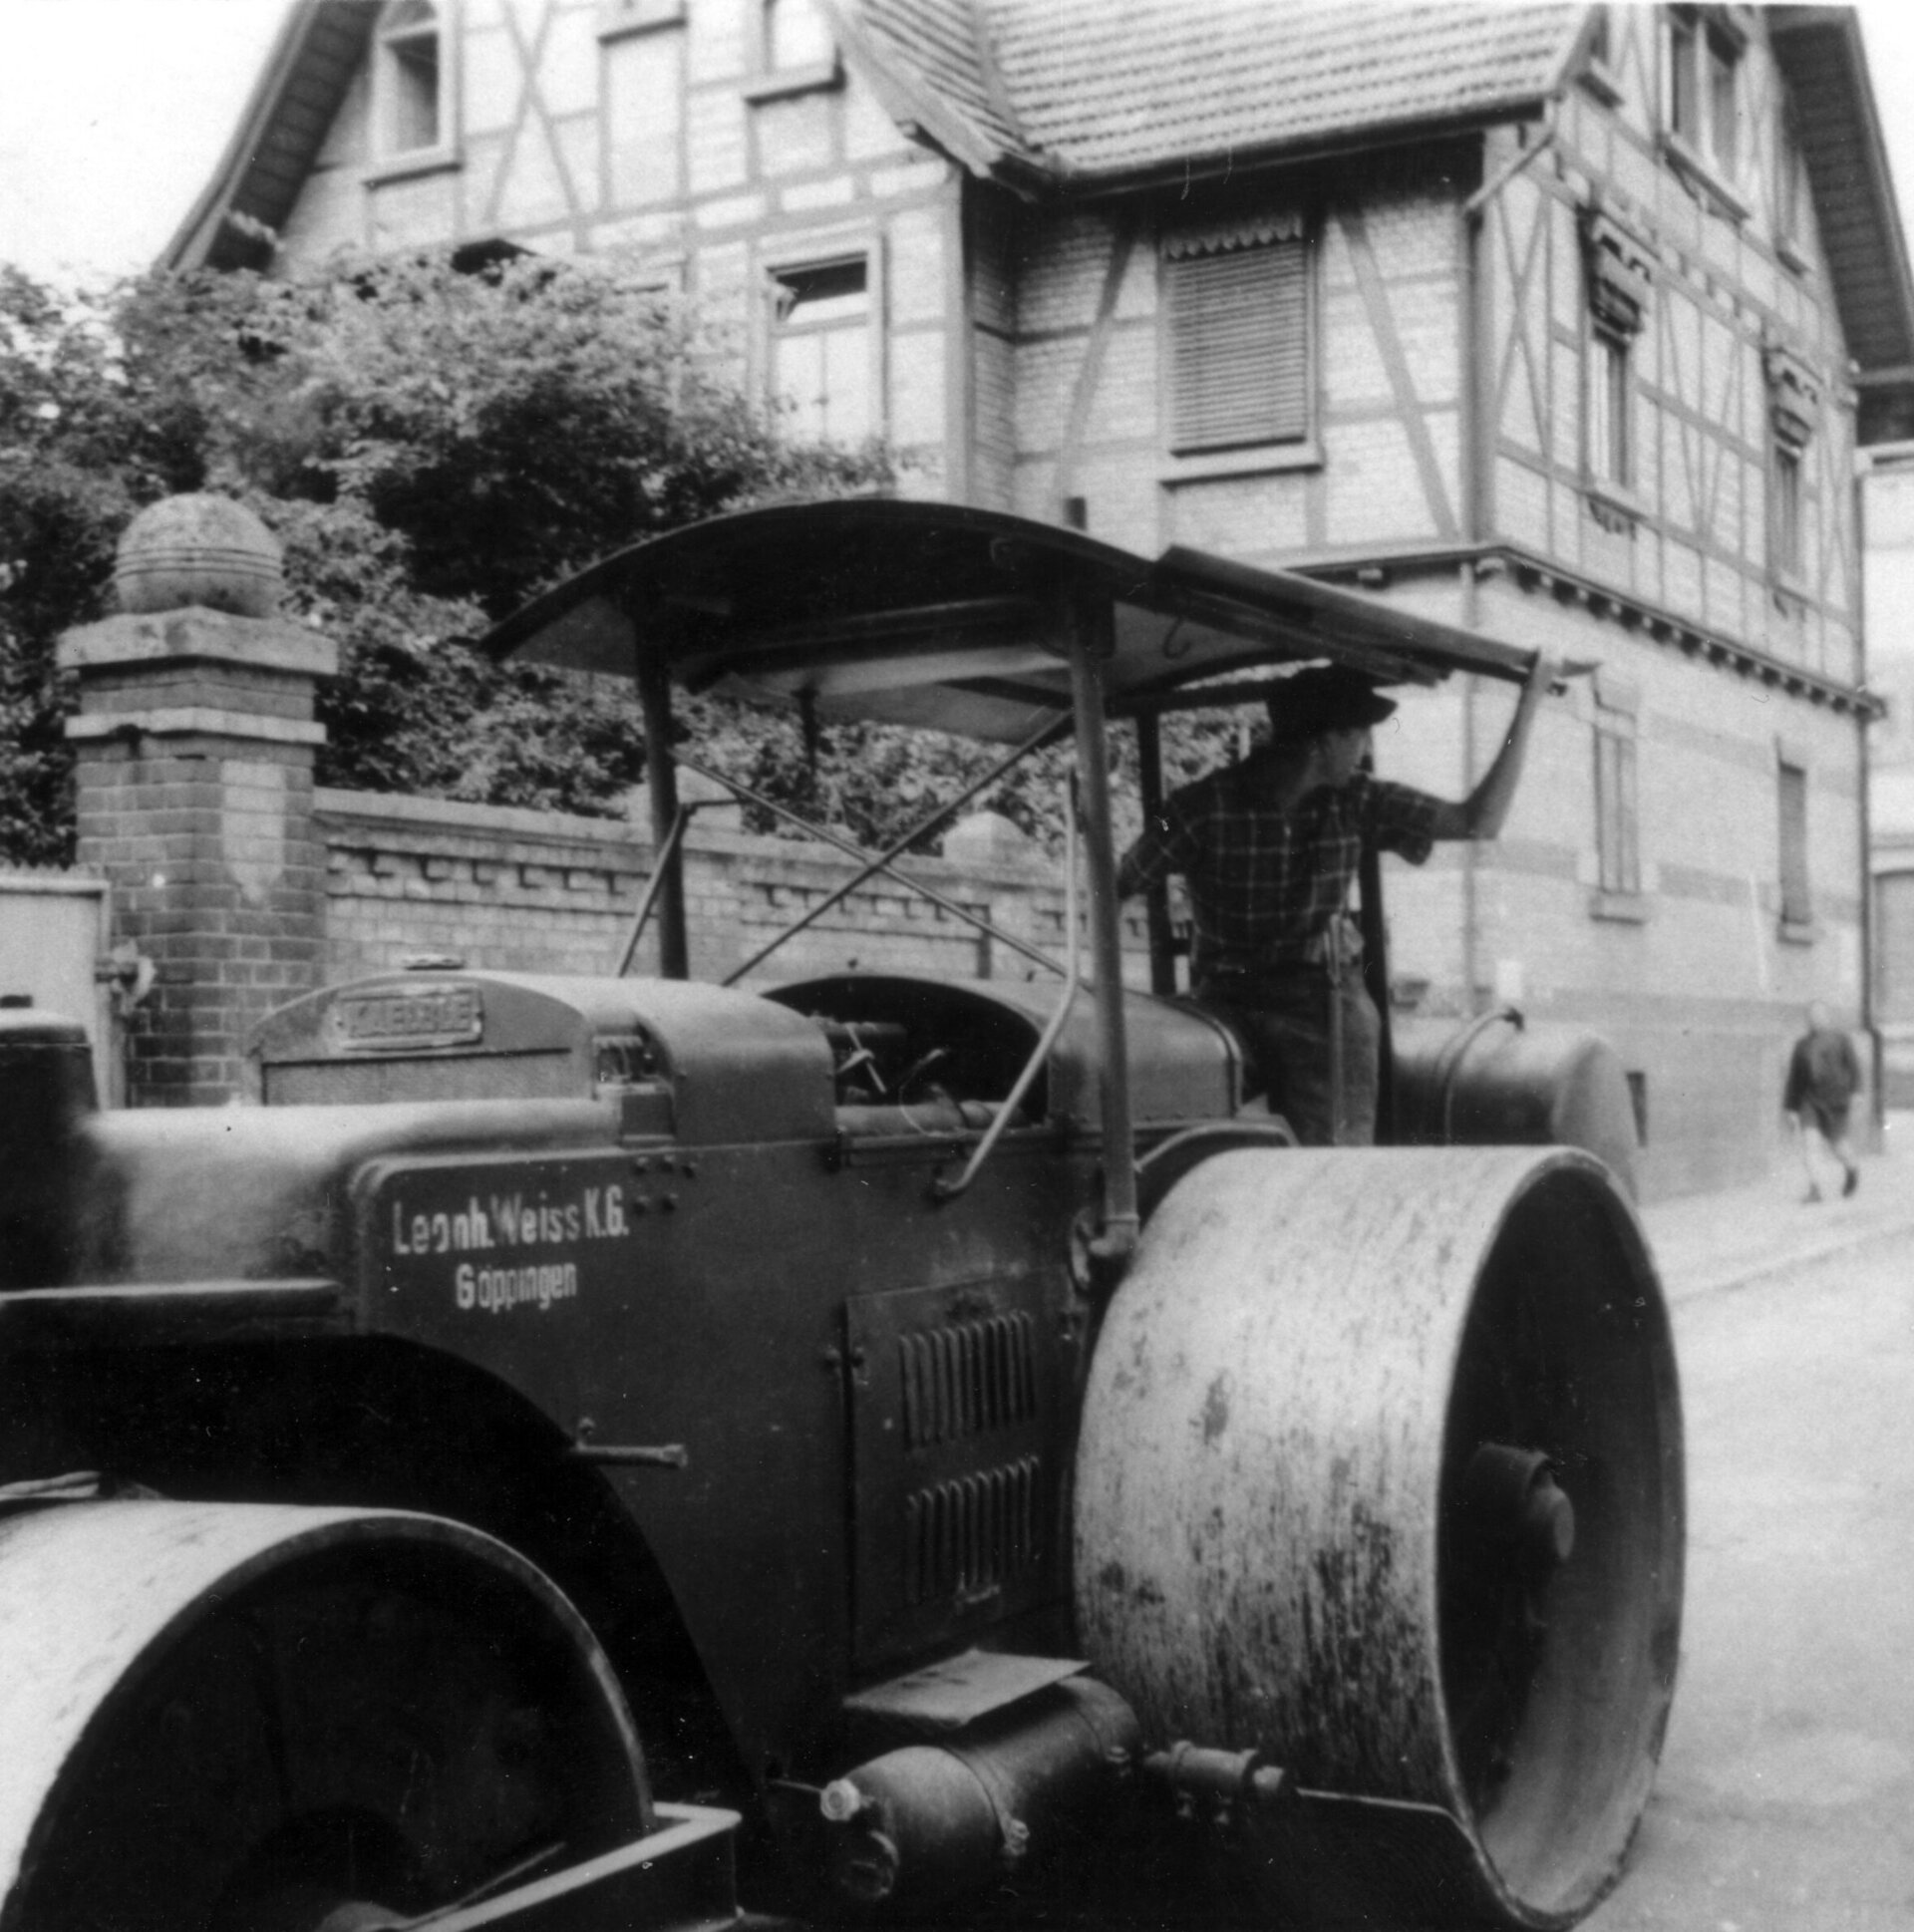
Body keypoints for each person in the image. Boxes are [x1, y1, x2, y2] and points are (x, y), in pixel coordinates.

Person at [1116, 656, 1553, 1146]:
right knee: (1186, 1135)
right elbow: (1117, 883)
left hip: (1323, 1006)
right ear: (1324, 743)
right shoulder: (1193, 808)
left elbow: (1478, 822)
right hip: (1225, 1003)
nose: (1364, 748)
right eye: (1359, 735)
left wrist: (1528, 704)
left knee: (1335, 1163)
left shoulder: (1358, 799)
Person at [1783, 1001, 1862, 1201]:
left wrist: (1856, 1092)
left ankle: (1852, 1169)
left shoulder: (1841, 1039)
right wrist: (1791, 1108)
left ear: (1827, 1017)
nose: (1815, 1019)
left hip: (1836, 1100)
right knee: (1810, 1143)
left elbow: (1854, 1067)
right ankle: (1815, 1190)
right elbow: (1795, 1078)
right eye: (1811, 1016)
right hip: (1810, 1100)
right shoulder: (1802, 1045)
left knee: (1838, 1145)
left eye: (1819, 1015)